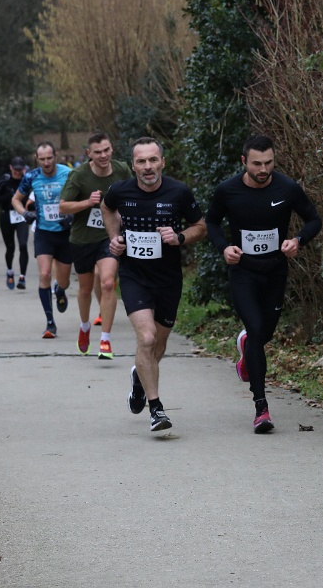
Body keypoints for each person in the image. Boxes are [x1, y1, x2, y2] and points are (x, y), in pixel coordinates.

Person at [205, 135, 322, 434]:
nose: (263, 169)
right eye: (257, 163)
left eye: (268, 163)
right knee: (256, 330)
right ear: (244, 161)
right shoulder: (227, 190)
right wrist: (224, 248)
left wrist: (298, 240)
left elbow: (314, 220)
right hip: (243, 271)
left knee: (264, 333)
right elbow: (212, 222)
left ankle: (247, 346)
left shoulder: (287, 188)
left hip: (275, 271)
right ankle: (261, 407)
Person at [101, 137, 206, 432]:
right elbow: (107, 209)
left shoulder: (179, 192)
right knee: (146, 339)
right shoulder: (120, 191)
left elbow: (201, 226)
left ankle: (139, 377)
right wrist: (114, 238)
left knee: (158, 344)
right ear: (133, 165)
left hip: (168, 279)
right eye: (141, 161)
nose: (148, 166)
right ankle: (156, 409)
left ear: (162, 162)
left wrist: (179, 237)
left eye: (153, 160)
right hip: (134, 276)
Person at [59, 132, 132, 359]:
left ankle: (105, 340)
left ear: (112, 149)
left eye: (106, 150)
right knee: (85, 289)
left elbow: (134, 194)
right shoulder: (79, 175)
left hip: (109, 236)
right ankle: (84, 327)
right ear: (89, 153)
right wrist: (87, 202)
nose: (103, 155)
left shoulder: (122, 170)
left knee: (108, 282)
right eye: (98, 152)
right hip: (82, 239)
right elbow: (63, 206)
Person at [11, 142, 74, 339]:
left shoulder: (68, 174)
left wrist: (72, 215)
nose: (46, 163)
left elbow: (82, 197)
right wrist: (24, 214)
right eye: (42, 159)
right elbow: (15, 199)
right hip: (44, 233)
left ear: (56, 156)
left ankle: (60, 290)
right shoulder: (31, 177)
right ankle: (50, 322)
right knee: (45, 273)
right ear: (36, 159)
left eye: (49, 158)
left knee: (63, 281)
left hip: (65, 233)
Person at [0, 157, 30, 290]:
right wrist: (9, 198)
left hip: (21, 216)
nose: (17, 172)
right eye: (15, 169)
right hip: (7, 216)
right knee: (10, 247)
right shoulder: (4, 181)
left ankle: (22, 277)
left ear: (23, 169)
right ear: (10, 168)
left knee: (23, 245)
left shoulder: (27, 181)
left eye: (20, 170)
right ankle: (10, 271)